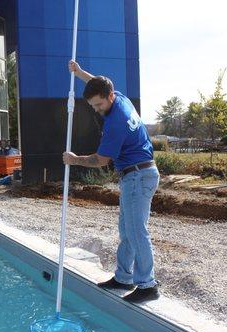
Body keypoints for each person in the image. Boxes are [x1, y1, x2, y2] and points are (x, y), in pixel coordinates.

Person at [62, 60, 160, 303]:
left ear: (109, 97)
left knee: (137, 232)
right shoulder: (119, 97)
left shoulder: (116, 122)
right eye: (93, 105)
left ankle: (148, 285)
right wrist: (80, 72)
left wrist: (74, 160)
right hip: (135, 175)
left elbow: (101, 160)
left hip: (138, 176)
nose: (96, 110)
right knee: (127, 231)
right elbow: (96, 82)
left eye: (99, 105)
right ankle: (123, 277)